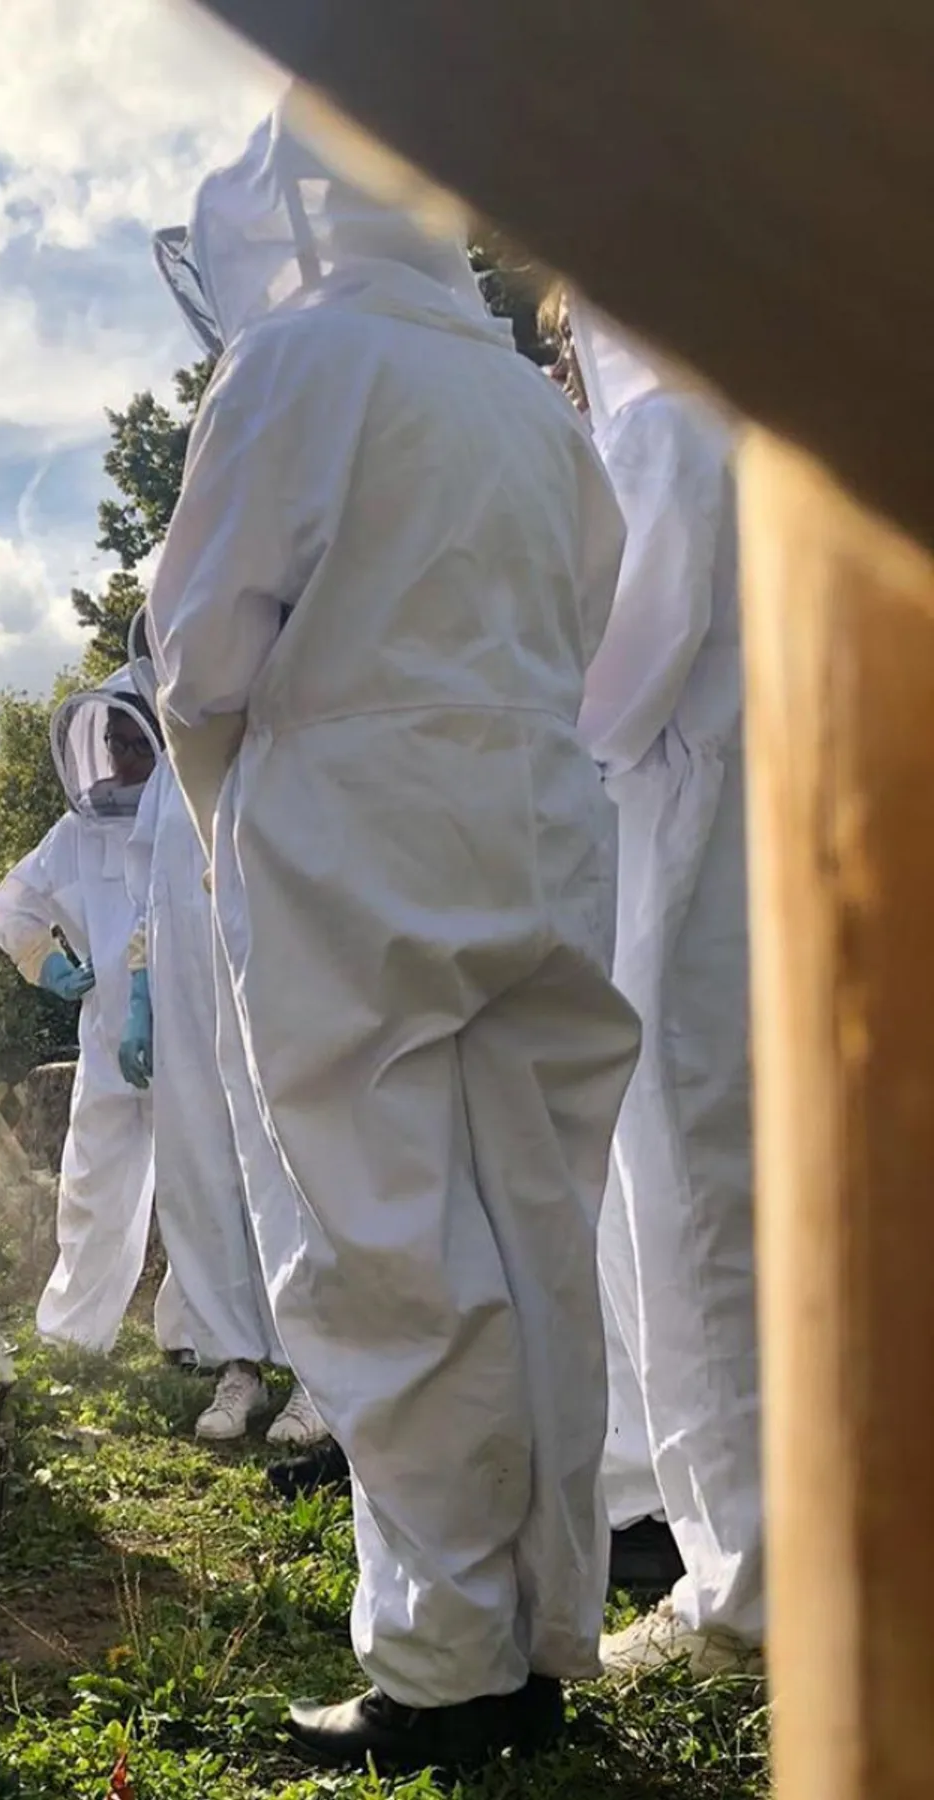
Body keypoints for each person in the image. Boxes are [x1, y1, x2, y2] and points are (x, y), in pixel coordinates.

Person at [147, 102, 639, 1774]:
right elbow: (592, 614)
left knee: (385, 1250)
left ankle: (445, 1671)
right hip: (544, 832)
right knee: (538, 1242)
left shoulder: (294, 366)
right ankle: (541, 1631)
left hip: (356, 839)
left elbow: (202, 649)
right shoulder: (530, 400)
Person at [569, 303, 763, 1677]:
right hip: (782, 836)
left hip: (687, 852)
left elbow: (614, 690)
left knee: (690, 1217)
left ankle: (745, 1591)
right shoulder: (783, 415)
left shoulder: (661, 426)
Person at [122, 607, 328, 1448]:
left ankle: (322, 1376)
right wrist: (139, 987)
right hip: (188, 1003)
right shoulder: (171, 772)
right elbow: (149, 892)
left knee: (295, 1169)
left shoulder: (284, 737)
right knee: (203, 1175)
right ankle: (236, 1362)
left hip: (276, 987)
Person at [0, 674, 160, 1351]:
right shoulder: (80, 828)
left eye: (134, 745)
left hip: (197, 1034)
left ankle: (207, 1342)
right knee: (92, 1184)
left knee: (206, 1187)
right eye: (113, 744)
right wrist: (47, 963)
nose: (120, 760)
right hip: (108, 1032)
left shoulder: (185, 812)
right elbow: (13, 903)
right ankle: (72, 1337)